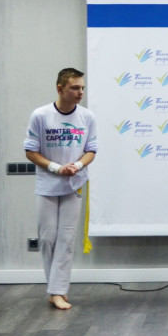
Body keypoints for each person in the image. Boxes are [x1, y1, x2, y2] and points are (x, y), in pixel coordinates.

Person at [24, 68, 98, 310]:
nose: (80, 92)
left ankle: (58, 291)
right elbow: (31, 151)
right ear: (60, 88)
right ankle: (54, 288)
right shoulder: (41, 115)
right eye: (75, 88)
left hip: (74, 184)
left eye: (82, 88)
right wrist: (56, 168)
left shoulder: (87, 117)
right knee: (47, 238)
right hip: (47, 184)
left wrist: (77, 165)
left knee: (66, 238)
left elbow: (91, 150)